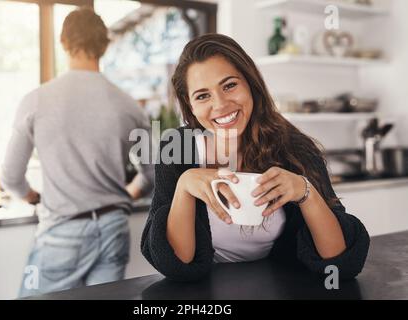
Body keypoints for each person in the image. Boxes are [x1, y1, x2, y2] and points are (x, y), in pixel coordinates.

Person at [141, 33, 369, 282]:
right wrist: (185, 185)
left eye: (229, 85)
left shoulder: (295, 147)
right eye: (203, 95)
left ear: (250, 83)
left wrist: (306, 192)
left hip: (282, 286)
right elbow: (176, 264)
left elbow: (339, 264)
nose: (220, 105)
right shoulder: (177, 147)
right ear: (190, 104)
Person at [1, 7, 154, 297]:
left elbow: (10, 177)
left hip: (62, 232)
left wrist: (34, 198)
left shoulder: (36, 101)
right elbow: (150, 176)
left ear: (63, 43)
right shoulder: (129, 106)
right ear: (105, 46)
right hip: (114, 228)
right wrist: (122, 198)